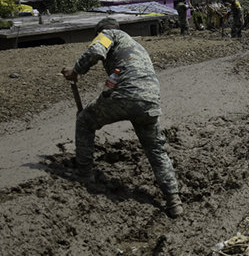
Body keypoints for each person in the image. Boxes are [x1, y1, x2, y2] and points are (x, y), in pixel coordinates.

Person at [61, 18, 183, 218]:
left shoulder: (108, 35)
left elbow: (95, 52)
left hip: (127, 94)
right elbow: (117, 78)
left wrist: (75, 70)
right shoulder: (136, 45)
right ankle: (174, 200)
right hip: (150, 100)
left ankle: (85, 175)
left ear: (100, 31)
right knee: (156, 150)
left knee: (84, 121)